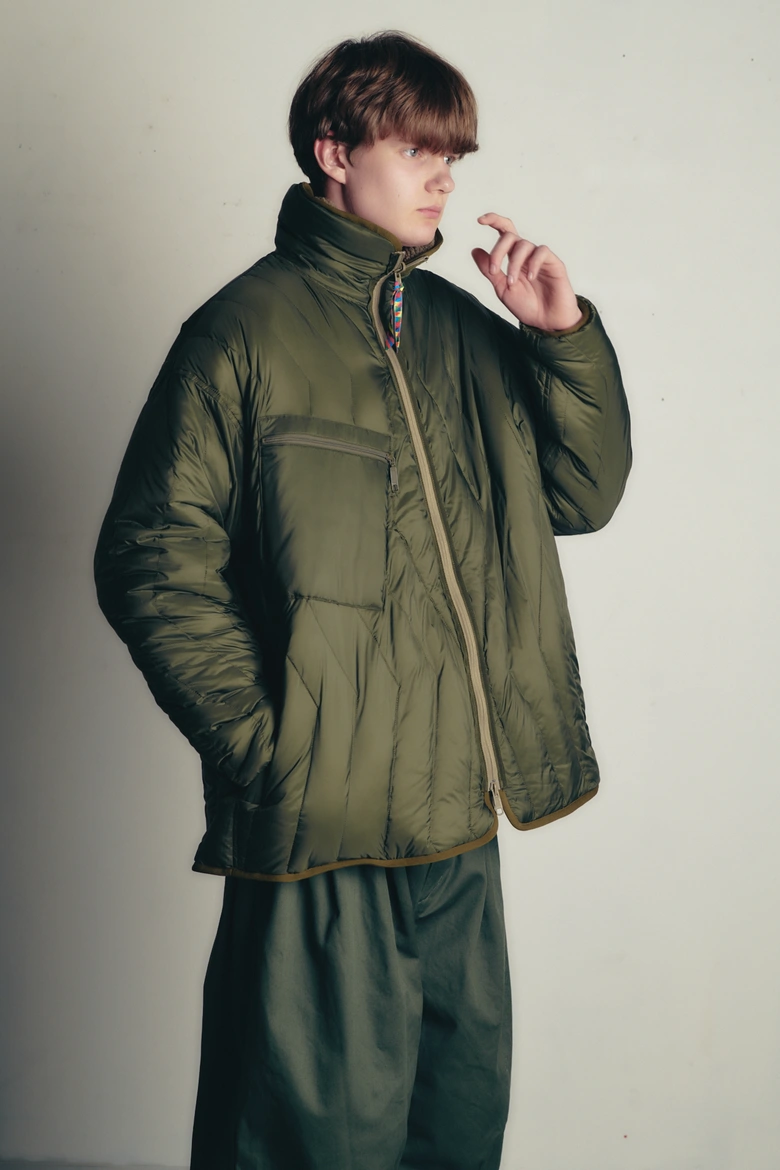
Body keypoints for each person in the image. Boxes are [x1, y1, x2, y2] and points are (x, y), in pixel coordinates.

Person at [94, 29, 631, 1170]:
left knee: (455, 1131)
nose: (444, 179)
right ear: (335, 153)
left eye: (454, 156)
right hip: (323, 837)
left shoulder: (463, 334)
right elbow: (150, 557)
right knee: (308, 1144)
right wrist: (274, 743)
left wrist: (561, 341)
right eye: (417, 150)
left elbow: (580, 497)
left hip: (461, 828)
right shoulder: (240, 334)